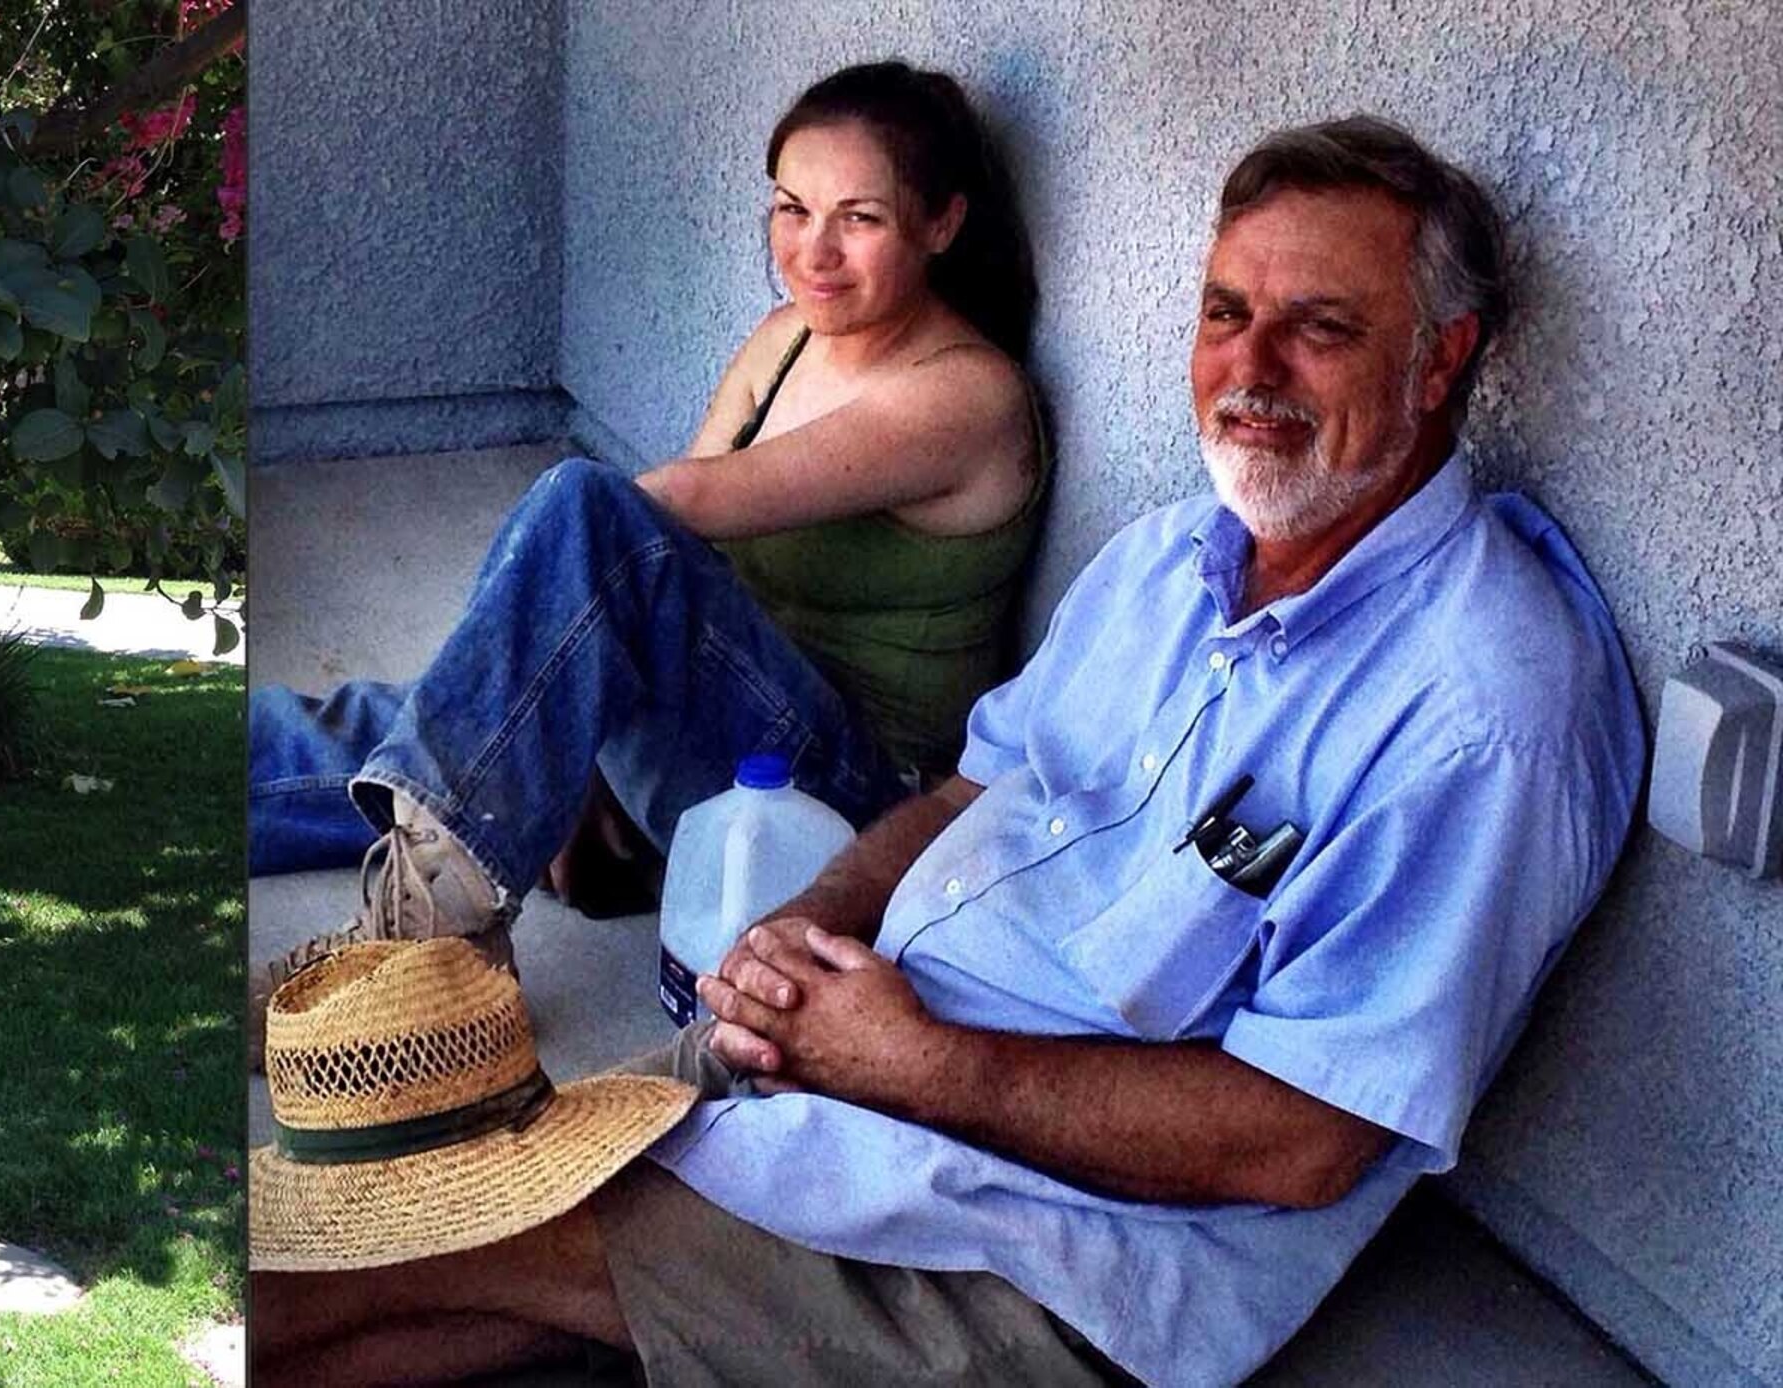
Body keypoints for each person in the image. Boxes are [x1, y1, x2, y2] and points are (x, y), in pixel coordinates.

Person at [250, 115, 1645, 1388]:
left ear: (1442, 357)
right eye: (1227, 313)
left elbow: (1303, 1142)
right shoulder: (1174, 560)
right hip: (852, 1070)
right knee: (373, 1242)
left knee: (335, 1283)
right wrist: (801, 929)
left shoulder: (1487, 707)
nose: (1251, 369)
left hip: (1028, 1242)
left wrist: (913, 1064)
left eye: (1320, 328)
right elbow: (980, 788)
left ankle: (419, 972)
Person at [245, 60, 1046, 1010]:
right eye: (792, 208)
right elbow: (654, 568)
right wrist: (562, 729)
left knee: (569, 543)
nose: (813, 250)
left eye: (859, 219)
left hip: (832, 804)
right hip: (708, 736)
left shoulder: (967, 397)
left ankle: (429, 949)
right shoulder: (786, 339)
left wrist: (543, 690)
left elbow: (658, 518)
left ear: (942, 225)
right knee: (408, 734)